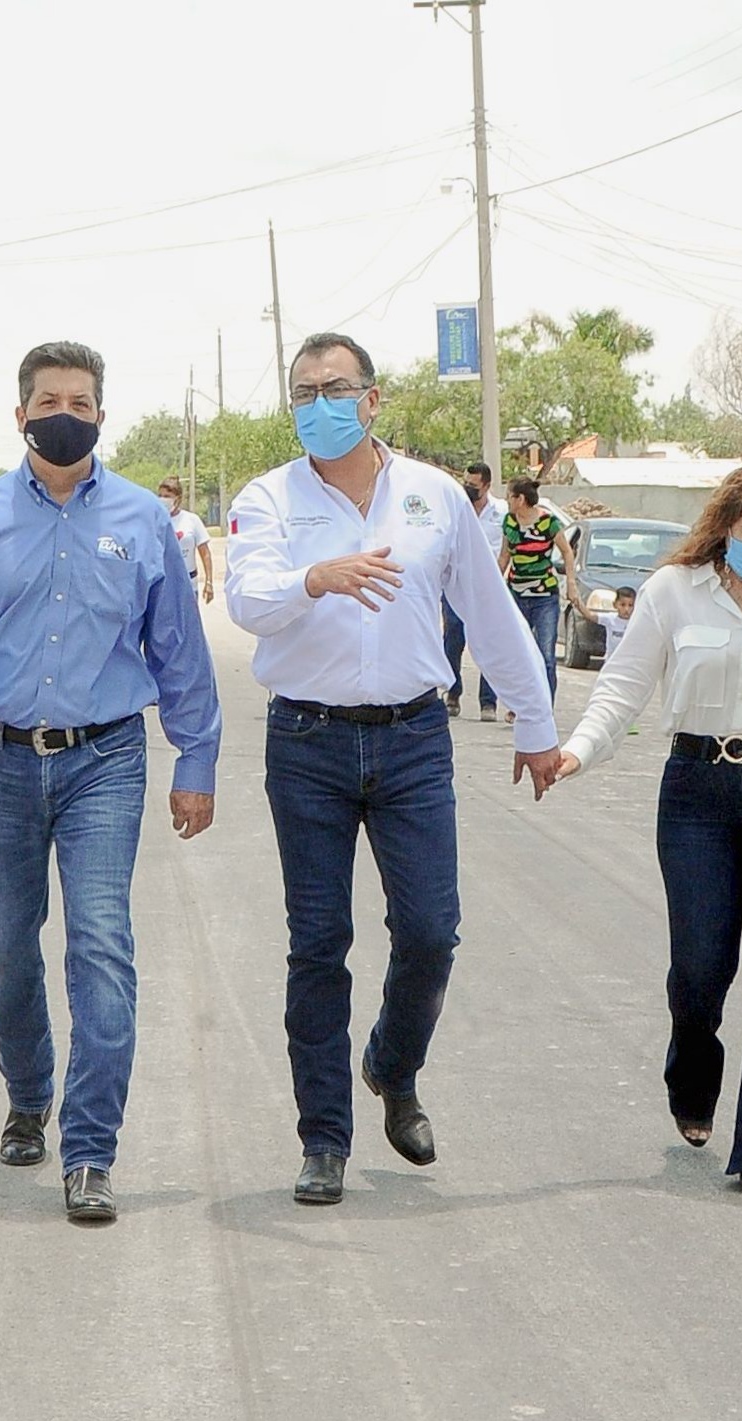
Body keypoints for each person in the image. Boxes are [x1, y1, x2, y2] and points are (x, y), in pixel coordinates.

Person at [225, 334, 562, 1206]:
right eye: (303, 393)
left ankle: (391, 1063)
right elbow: (247, 602)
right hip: (308, 744)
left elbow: (488, 614)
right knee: (318, 942)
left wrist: (535, 719)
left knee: (429, 930)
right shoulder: (268, 500)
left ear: (373, 400)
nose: (318, 404)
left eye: (335, 388)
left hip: (413, 740)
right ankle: (324, 1138)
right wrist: (315, 578)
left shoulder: (434, 495)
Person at [0, 342, 221, 1226]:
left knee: (101, 945)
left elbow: (180, 654)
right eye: (50, 399)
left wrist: (195, 760)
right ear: (20, 414)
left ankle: (90, 1150)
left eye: (81, 400)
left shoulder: (142, 522)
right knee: (5, 948)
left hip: (106, 759)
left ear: (101, 414)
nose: (65, 413)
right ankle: (27, 1090)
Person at [554, 459, 742, 1198]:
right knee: (700, 970)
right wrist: (576, 752)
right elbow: (622, 687)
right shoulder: (672, 592)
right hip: (697, 791)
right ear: (724, 526)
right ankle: (692, 1069)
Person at [496, 476, 575, 702]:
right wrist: (491, 586)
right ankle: (519, 703)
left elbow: (567, 552)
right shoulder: (509, 522)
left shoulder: (548, 522)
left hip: (544, 597)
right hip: (517, 594)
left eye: (509, 496)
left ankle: (544, 706)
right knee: (518, 653)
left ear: (520, 498)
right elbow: (504, 556)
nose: (507, 501)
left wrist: (571, 584)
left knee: (546, 654)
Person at [442, 462, 509, 720]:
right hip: (456, 585)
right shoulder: (455, 508)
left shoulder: (501, 512)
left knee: (488, 644)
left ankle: (488, 702)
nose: (468, 488)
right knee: (453, 642)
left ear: (487, 485)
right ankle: (453, 692)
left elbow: (507, 548)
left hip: (488, 589)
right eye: (466, 482)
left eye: (474, 485)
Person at [157, 474, 217, 604]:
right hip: (163, 586)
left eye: (167, 497)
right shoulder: (155, 520)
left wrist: (209, 582)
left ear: (178, 498)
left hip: (189, 584)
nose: (163, 500)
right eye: (160, 496)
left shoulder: (191, 520)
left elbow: (205, 553)